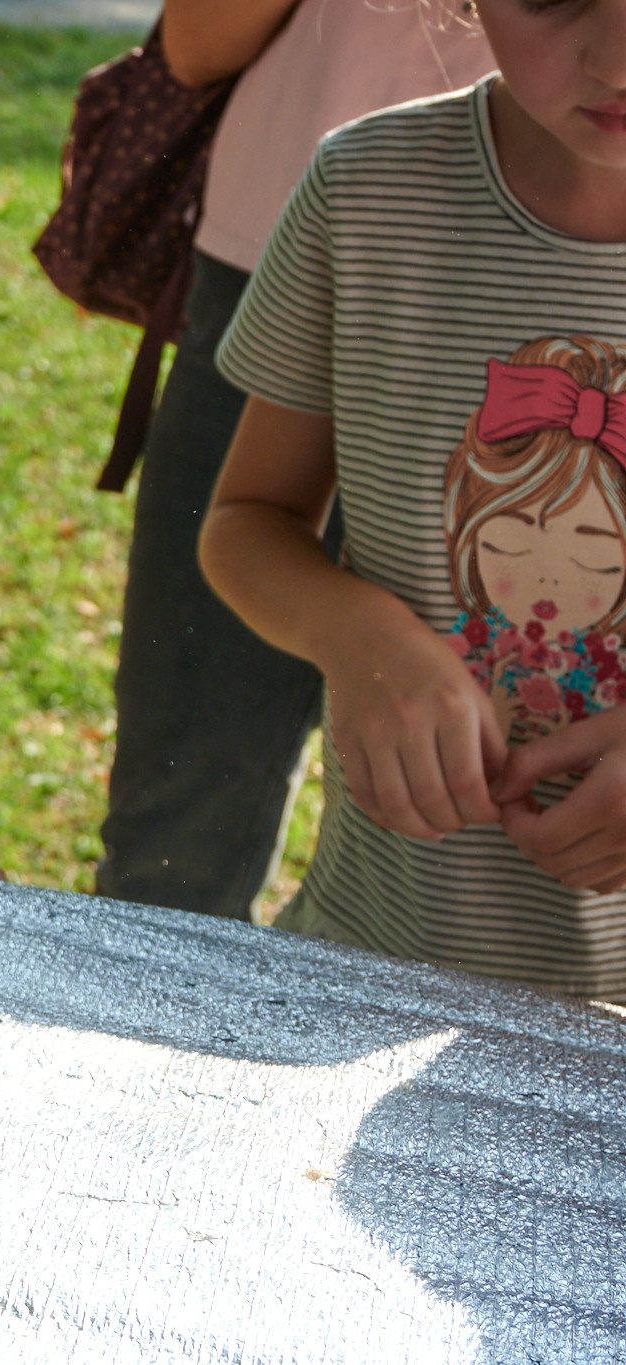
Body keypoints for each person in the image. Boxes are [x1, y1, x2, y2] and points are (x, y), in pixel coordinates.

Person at [197, 0, 626, 1001]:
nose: (614, 58)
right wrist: (353, 634)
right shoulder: (367, 191)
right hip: (376, 960)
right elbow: (245, 520)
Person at [96, 0, 495, 920]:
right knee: (181, 817)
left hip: (585, 280)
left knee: (491, 827)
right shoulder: (351, 188)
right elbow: (198, 46)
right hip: (278, 244)